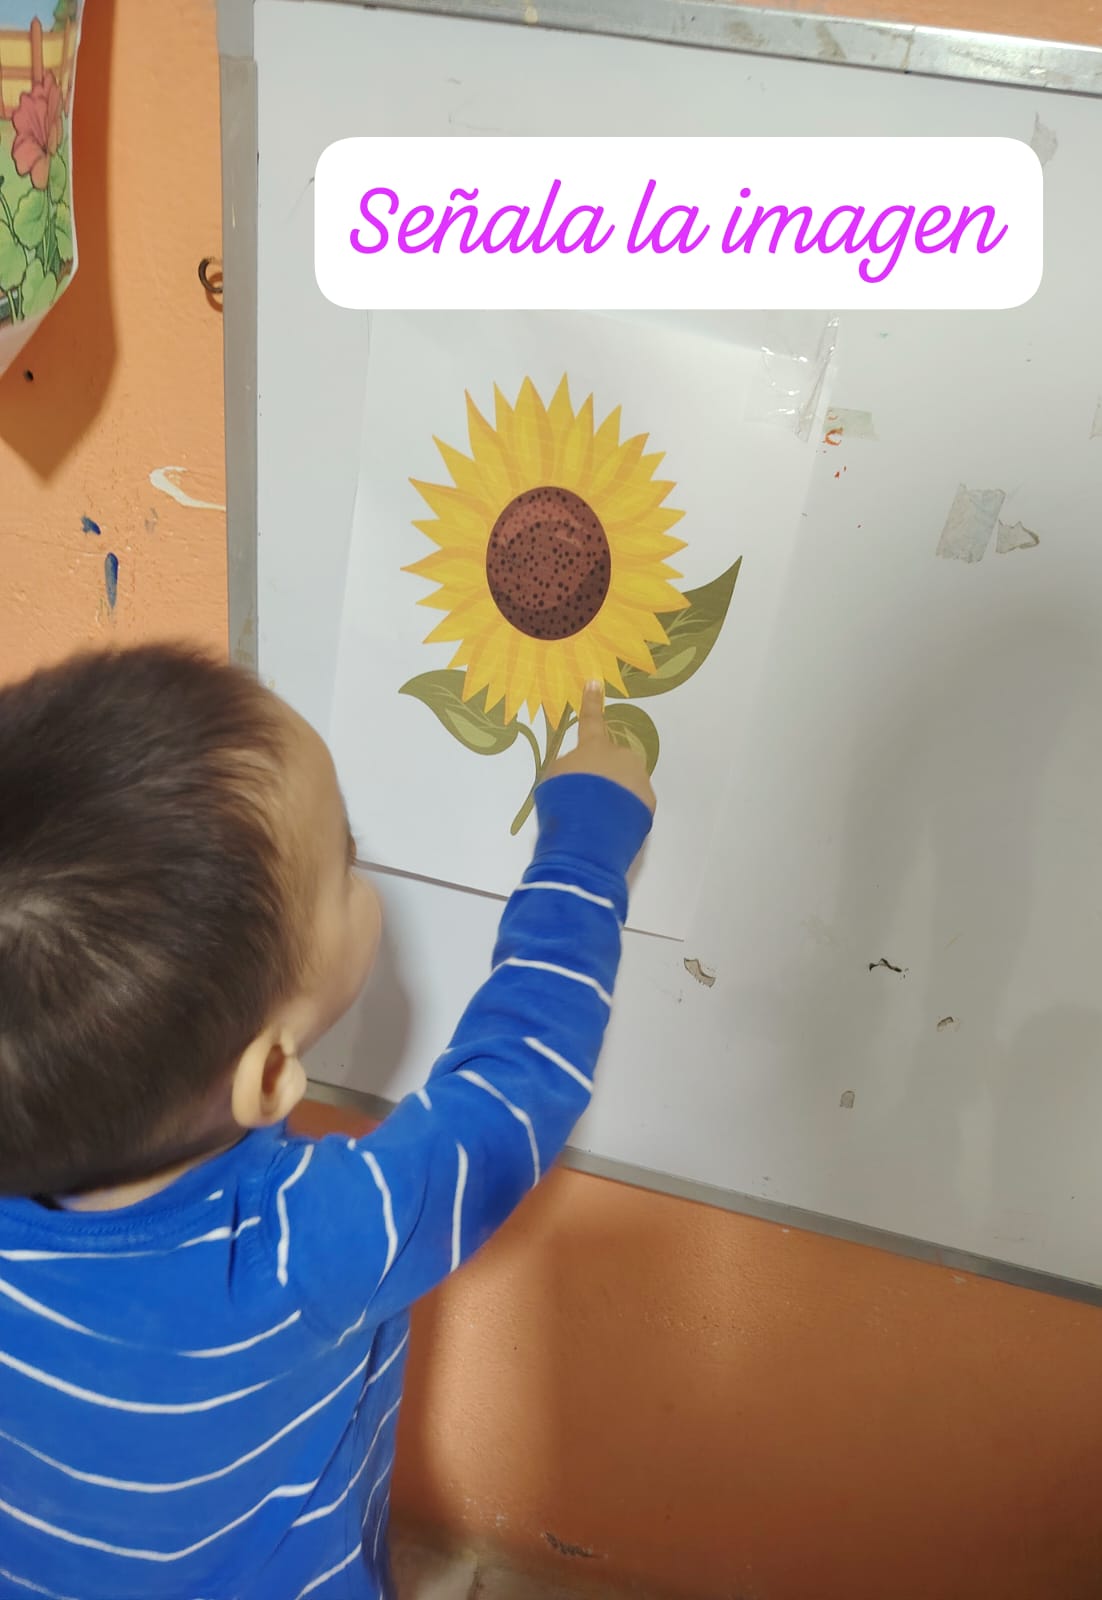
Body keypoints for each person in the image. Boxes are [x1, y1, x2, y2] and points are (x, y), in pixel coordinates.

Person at [0, 644, 653, 1600]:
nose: (363, 873)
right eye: (346, 862)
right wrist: (586, 842)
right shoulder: (308, 1243)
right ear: (270, 1074)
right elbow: (518, 1079)